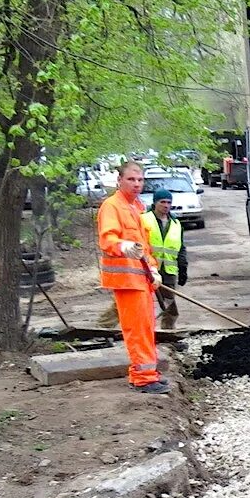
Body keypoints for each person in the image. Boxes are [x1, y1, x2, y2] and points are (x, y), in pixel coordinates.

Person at [95, 161, 167, 394]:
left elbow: (144, 247)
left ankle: (148, 373)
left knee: (146, 328)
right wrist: (123, 246)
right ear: (119, 181)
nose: (137, 184)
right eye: (131, 180)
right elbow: (108, 240)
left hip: (140, 280)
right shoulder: (112, 206)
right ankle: (143, 378)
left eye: (140, 180)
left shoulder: (136, 207)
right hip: (126, 281)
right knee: (136, 330)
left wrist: (153, 269)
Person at [142, 188, 187, 329]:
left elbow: (180, 248)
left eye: (169, 202)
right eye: (163, 202)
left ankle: (168, 332)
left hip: (168, 271)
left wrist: (183, 269)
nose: (166, 205)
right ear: (155, 203)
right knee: (134, 300)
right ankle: (103, 328)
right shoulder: (143, 219)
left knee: (169, 305)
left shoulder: (176, 224)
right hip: (146, 268)